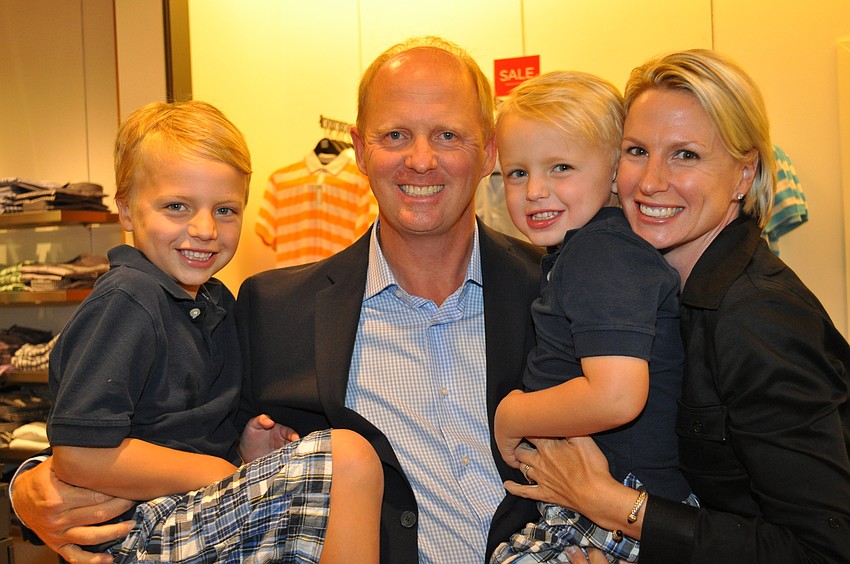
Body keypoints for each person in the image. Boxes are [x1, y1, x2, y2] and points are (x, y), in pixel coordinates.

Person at [10, 37, 544, 563]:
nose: (421, 160)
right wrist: (26, 483)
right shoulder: (273, 309)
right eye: (396, 134)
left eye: (448, 134)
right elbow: (126, 419)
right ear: (360, 150)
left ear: (489, 152)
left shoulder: (554, 292)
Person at [504, 49, 850, 564]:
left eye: (686, 154)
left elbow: (825, 550)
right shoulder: (662, 284)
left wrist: (612, 503)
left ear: (743, 174)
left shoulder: (759, 318)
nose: (650, 182)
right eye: (637, 151)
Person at [34, 100, 383, 563]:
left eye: (225, 210)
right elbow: (78, 453)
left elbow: (179, 429)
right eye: (177, 206)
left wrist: (242, 446)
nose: (204, 229)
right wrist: (217, 470)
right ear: (125, 210)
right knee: (347, 460)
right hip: (132, 530)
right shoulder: (128, 300)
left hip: (184, 509)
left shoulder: (216, 301)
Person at [489, 71, 695, 564]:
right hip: (605, 496)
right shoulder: (593, 247)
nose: (535, 190)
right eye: (517, 172)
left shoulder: (600, 253)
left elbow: (617, 394)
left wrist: (510, 413)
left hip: (615, 499)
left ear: (614, 170)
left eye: (560, 167)